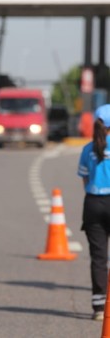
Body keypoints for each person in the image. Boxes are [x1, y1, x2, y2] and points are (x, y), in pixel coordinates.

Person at [78, 104, 110, 321]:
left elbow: (85, 179)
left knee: (98, 257)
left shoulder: (88, 149)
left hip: (93, 203)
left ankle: (99, 307)